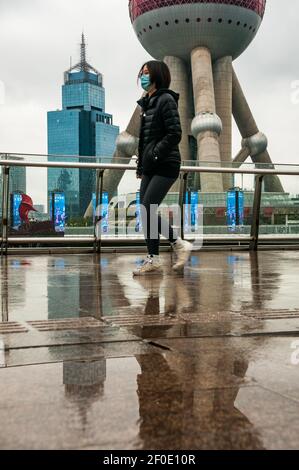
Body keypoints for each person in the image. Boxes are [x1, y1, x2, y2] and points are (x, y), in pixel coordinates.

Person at [133, 60, 192, 276]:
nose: (143, 76)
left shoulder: (166, 99)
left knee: (149, 206)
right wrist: (142, 165)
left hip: (166, 163)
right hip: (150, 165)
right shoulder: (147, 103)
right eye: (142, 73)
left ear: (157, 75)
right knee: (145, 210)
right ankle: (154, 258)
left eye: (147, 73)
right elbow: (144, 139)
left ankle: (178, 244)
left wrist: (156, 153)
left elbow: (175, 133)